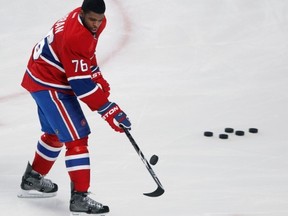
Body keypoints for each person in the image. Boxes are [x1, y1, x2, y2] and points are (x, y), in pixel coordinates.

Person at [18, 0, 131, 214]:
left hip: (39, 76)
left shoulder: (89, 21)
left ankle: (32, 179)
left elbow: (87, 51)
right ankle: (79, 199)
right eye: (92, 19)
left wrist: (95, 73)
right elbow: (80, 86)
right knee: (77, 138)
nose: (97, 24)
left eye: (99, 19)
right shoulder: (74, 36)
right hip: (50, 83)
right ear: (81, 13)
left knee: (55, 133)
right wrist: (109, 110)